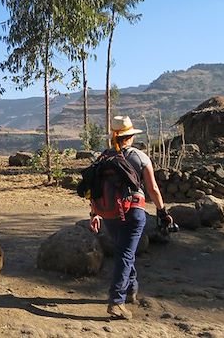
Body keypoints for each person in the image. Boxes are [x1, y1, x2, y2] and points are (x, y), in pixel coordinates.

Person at [88, 115, 173, 320]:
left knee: (124, 250)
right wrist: (162, 212)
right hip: (132, 211)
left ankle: (131, 289)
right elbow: (152, 188)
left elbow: (94, 189)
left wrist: (94, 213)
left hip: (109, 213)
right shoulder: (139, 157)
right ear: (130, 137)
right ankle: (117, 301)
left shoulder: (103, 157)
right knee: (125, 253)